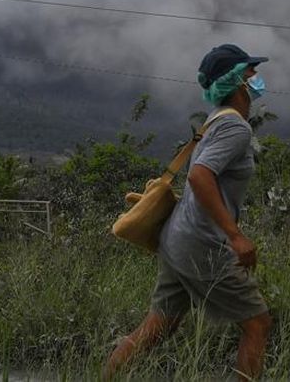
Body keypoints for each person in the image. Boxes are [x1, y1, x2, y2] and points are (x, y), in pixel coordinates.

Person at [103, 44, 273, 381]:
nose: (256, 78)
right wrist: (235, 236)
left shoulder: (214, 122)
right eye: (250, 72)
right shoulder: (235, 128)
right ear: (238, 81)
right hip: (201, 243)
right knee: (257, 324)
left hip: (176, 237)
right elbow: (199, 176)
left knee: (158, 326)